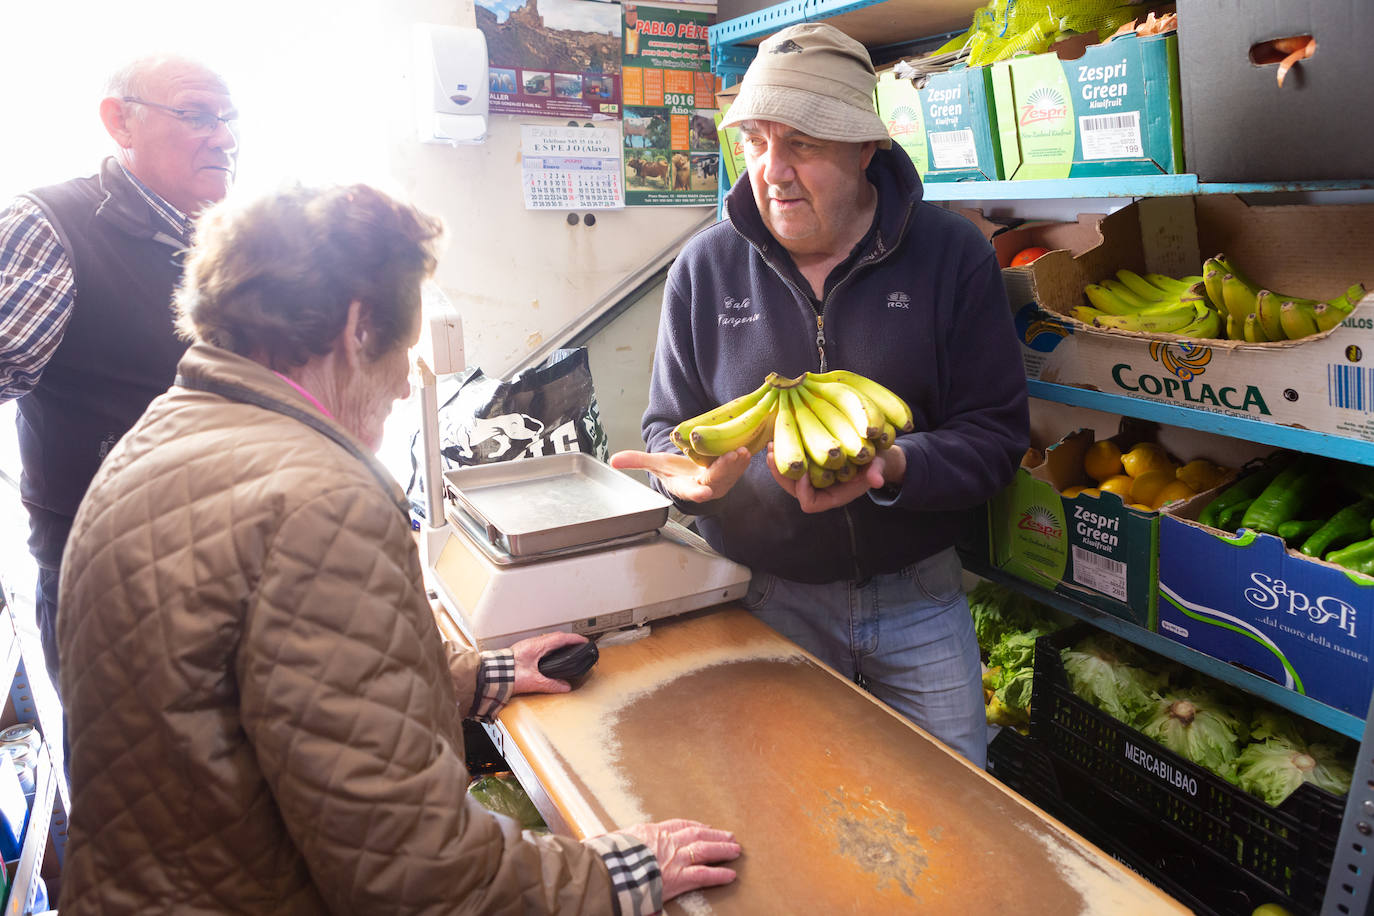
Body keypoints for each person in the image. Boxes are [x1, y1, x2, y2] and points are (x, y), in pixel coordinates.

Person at [56, 184, 740, 914]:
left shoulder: (156, 440)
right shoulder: (321, 503)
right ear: (358, 327)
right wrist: (614, 874)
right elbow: (423, 880)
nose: (396, 387)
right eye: (406, 352)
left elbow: (273, 688)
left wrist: (473, 678)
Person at [611, 23, 1029, 768]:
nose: (773, 171)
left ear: (867, 148)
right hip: (767, 598)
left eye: (801, 143)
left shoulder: (952, 256)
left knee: (961, 810)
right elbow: (671, 426)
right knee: (792, 816)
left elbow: (996, 438)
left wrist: (894, 466)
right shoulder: (705, 269)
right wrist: (695, 486)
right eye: (757, 141)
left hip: (921, 601)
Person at [0, 54, 238, 690]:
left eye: (227, 119)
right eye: (196, 116)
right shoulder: (52, 226)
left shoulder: (221, 238)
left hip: (222, 553)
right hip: (113, 575)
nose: (224, 137)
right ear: (120, 123)